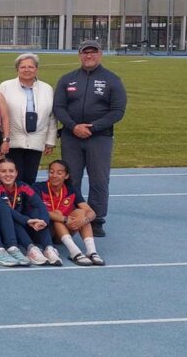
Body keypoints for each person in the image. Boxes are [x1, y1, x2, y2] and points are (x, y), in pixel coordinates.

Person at [53, 40, 126, 237]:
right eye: (85, 52)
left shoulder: (112, 80)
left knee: (99, 179)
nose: (89, 56)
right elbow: (58, 107)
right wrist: (73, 126)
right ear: (80, 55)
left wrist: (93, 128)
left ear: (100, 54)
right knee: (71, 179)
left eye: (93, 52)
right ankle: (71, 215)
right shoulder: (68, 79)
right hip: (71, 137)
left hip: (99, 137)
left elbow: (118, 111)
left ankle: (96, 219)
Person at [0, 53, 57, 186]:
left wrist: (50, 141)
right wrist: (2, 138)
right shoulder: (6, 86)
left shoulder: (47, 89)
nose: (27, 70)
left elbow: (52, 117)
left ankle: (27, 205)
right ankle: (14, 205)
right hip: (12, 140)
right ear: (17, 69)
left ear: (36, 69)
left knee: (30, 178)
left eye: (30, 67)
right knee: (13, 178)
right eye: (23, 67)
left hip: (36, 140)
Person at [35, 160, 104, 266]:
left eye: (59, 173)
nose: (54, 175)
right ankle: (74, 252)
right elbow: (40, 211)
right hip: (45, 230)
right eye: (51, 172)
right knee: (57, 215)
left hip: (63, 231)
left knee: (81, 213)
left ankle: (92, 252)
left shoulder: (71, 189)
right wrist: (64, 219)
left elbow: (91, 212)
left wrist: (84, 220)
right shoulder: (38, 187)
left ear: (66, 176)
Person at [0, 158, 52, 266]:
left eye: (11, 171)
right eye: (3, 171)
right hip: (5, 228)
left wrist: (44, 220)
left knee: (36, 211)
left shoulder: (23, 186)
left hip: (23, 225)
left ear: (16, 173)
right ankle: (30, 248)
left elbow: (40, 204)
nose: (8, 174)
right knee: (12, 216)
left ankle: (49, 247)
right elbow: (5, 209)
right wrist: (26, 220)